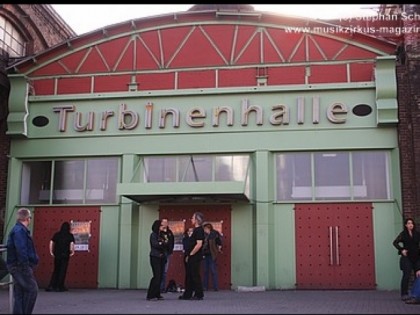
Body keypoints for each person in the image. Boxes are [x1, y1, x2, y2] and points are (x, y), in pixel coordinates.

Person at [6, 208, 39, 314]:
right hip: (20, 266)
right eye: (30, 217)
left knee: (20, 292)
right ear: (27, 218)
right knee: (32, 289)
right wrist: (25, 267)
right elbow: (21, 249)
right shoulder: (20, 231)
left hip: (16, 265)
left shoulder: (17, 230)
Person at [179, 211, 205, 301]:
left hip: (194, 257)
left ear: (197, 220)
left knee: (194, 275)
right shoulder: (196, 230)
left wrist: (191, 254)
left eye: (193, 218)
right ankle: (188, 294)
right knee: (189, 275)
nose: (191, 219)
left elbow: (199, 244)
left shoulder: (199, 230)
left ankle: (199, 294)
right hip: (191, 256)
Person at [392, 217, 420, 301]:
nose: (410, 225)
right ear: (406, 225)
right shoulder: (403, 234)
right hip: (407, 257)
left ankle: (415, 294)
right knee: (406, 275)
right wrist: (401, 250)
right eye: (408, 223)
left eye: (412, 223)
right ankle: (404, 294)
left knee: (417, 275)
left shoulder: (417, 234)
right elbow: (395, 242)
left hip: (416, 257)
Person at [45, 221, 75, 292]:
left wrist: (51, 251)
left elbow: (51, 242)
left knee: (56, 270)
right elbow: (72, 244)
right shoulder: (69, 235)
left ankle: (52, 285)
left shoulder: (57, 234)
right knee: (63, 270)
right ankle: (60, 286)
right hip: (65, 255)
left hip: (57, 255)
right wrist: (72, 251)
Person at [146, 219, 168, 301]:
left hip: (162, 257)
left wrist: (162, 243)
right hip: (155, 257)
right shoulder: (153, 235)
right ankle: (151, 294)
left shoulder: (162, 235)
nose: (163, 227)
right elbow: (155, 244)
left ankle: (157, 293)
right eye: (161, 226)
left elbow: (166, 243)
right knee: (156, 276)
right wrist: (162, 243)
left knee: (161, 276)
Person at [202, 222, 223, 291]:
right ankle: (205, 286)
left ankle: (215, 287)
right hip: (205, 254)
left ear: (208, 228)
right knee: (205, 271)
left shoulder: (214, 234)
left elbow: (219, 242)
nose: (204, 230)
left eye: (205, 229)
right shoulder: (204, 235)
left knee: (212, 270)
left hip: (212, 254)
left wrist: (218, 249)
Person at [159, 218, 175, 293]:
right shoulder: (159, 232)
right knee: (160, 270)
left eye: (166, 222)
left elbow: (172, 241)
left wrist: (171, 250)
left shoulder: (169, 232)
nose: (165, 223)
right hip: (161, 253)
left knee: (165, 271)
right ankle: (158, 287)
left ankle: (163, 287)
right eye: (164, 222)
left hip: (167, 253)